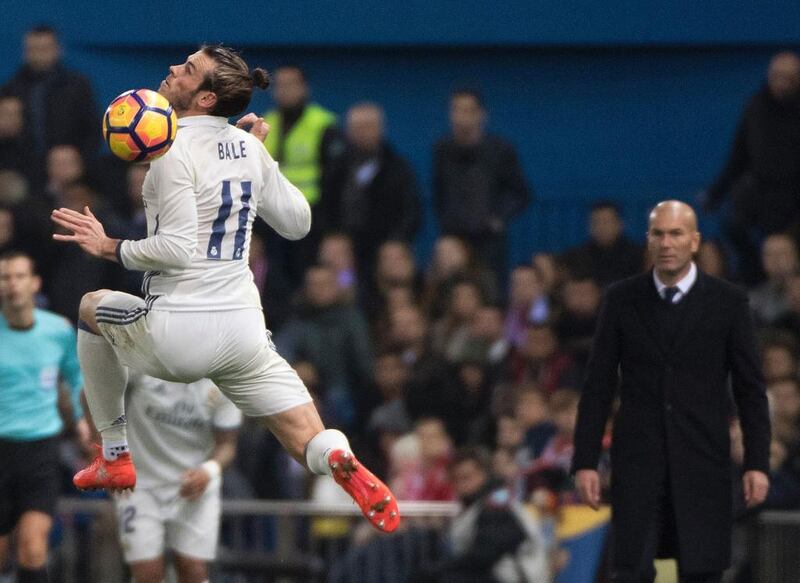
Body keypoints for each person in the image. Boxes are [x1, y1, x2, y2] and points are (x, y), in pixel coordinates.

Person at [49, 45, 399, 532]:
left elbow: (174, 249)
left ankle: (113, 451)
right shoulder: (249, 147)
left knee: (90, 307)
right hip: (242, 332)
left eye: (188, 69)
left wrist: (109, 246)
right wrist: (255, 159)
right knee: (305, 437)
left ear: (207, 98)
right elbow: (299, 223)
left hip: (179, 330)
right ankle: (340, 458)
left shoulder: (168, 152)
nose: (173, 69)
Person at [571, 200, 771, 582]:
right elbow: (598, 386)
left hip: (703, 465)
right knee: (632, 572)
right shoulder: (621, 299)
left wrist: (756, 463)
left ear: (694, 241)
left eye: (676, 233)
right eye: (658, 234)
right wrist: (585, 460)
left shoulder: (728, 302)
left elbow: (750, 390)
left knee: (701, 573)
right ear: (648, 240)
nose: (666, 242)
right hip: (637, 466)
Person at [0, 251, 90, 583]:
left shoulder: (58, 331)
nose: (12, 284)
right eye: (5, 277)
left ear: (34, 283)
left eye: (19, 276)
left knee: (32, 549)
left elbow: (77, 376)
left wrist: (82, 422)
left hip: (40, 451)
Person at [114, 373, 241, 583]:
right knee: (147, 573)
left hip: (196, 486)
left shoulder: (226, 377)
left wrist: (209, 471)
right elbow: (91, 390)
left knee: (193, 569)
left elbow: (227, 446)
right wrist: (102, 447)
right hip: (140, 484)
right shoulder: (144, 359)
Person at [704, 51, 800, 284]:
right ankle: (753, 278)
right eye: (776, 76)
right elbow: (738, 156)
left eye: (787, 77)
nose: (780, 83)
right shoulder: (756, 106)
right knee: (732, 225)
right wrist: (715, 194)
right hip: (762, 193)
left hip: (795, 195)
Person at [433, 88, 531, 291]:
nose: (462, 117)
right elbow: (439, 192)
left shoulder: (501, 149)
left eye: (468, 110)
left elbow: (521, 193)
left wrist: (497, 219)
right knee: (451, 293)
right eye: (457, 110)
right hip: (454, 238)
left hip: (489, 241)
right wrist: (447, 226)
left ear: (481, 115)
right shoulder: (441, 149)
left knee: (490, 296)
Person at [261, 64, 344, 285]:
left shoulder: (323, 124)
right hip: (272, 217)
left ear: (304, 88)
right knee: (275, 278)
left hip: (313, 216)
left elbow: (337, 181)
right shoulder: (266, 123)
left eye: (291, 85)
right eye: (280, 85)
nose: (285, 90)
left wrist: (333, 230)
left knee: (310, 276)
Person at [415, 446, 548, 583]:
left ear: (484, 474)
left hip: (517, 576)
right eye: (456, 479)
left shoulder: (497, 502)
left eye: (467, 477)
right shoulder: (471, 508)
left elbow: (485, 555)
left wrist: (438, 570)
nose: (462, 484)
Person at [323, 102, 421, 277]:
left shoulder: (398, 168)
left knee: (393, 257)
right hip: (347, 239)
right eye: (357, 127)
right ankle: (346, 295)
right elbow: (326, 207)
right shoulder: (337, 167)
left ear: (381, 128)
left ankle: (389, 301)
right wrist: (334, 235)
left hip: (385, 239)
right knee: (336, 255)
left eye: (368, 127)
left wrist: (397, 240)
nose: (362, 133)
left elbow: (411, 211)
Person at [1, 26, 99, 175]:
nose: (39, 55)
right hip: (22, 170)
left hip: (70, 169)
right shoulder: (10, 89)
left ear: (58, 49)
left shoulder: (77, 86)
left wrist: (80, 162)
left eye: (44, 49)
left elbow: (93, 129)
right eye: (34, 49)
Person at [559, 200, 644, 287]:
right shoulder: (578, 257)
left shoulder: (638, 255)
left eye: (606, 222)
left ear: (620, 224)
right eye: (596, 222)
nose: (601, 227)